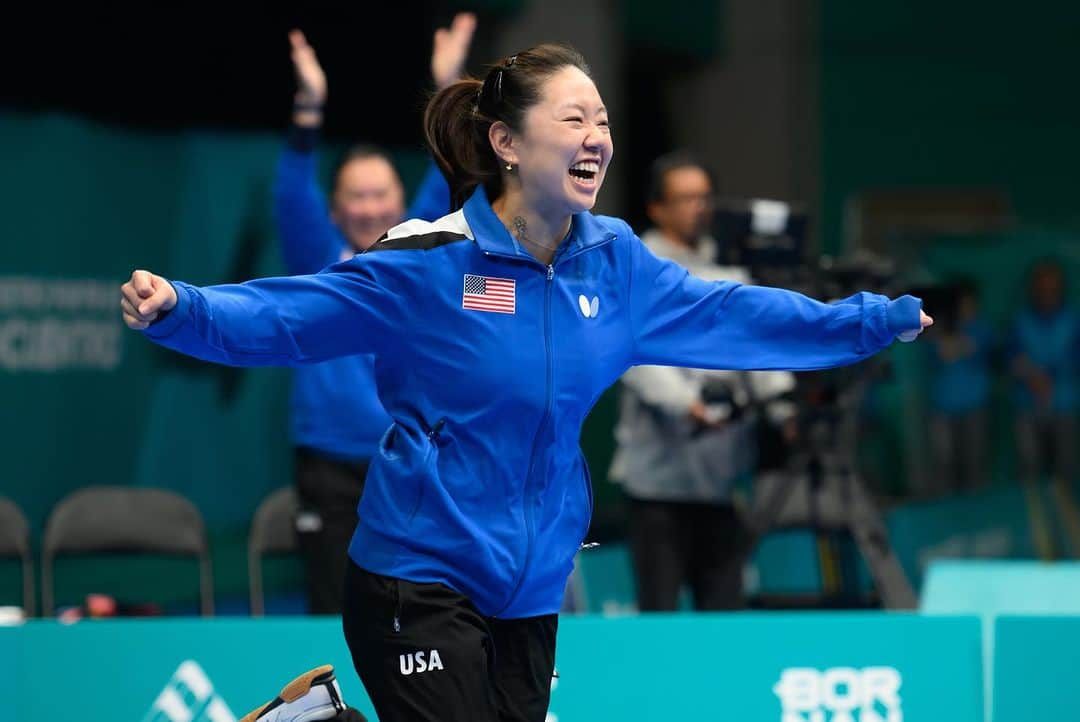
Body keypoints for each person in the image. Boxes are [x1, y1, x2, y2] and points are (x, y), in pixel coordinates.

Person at [121, 43, 932, 722]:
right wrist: (181, 310)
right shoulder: (430, 260)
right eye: (574, 118)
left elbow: (737, 316)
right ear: (507, 144)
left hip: (532, 582)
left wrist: (865, 322)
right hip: (417, 569)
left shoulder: (616, 264)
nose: (597, 137)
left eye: (604, 121)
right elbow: (293, 316)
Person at [275, 16, 472, 613]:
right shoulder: (318, 258)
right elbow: (290, 191)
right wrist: (309, 108)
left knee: (414, 610)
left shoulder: (415, 253)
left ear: (400, 200)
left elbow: (453, 173)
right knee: (333, 609)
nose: (369, 207)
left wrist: (449, 92)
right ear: (335, 209)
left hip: (412, 460)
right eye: (355, 196)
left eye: (380, 193)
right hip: (329, 468)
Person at [610, 151, 798, 611]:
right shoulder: (637, 263)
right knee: (660, 614)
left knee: (723, 614)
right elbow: (629, 352)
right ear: (658, 208)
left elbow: (754, 345)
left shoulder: (731, 269)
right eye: (687, 197)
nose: (700, 207)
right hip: (659, 486)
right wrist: (687, 403)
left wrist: (784, 408)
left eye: (706, 197)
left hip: (722, 480)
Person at [1008, 260, 1079, 486]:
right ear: (1034, 289)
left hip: (1064, 402)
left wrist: (1051, 375)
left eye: (1052, 287)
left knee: (1066, 466)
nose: (1047, 293)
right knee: (1029, 467)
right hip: (1027, 404)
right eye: (1042, 287)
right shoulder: (1020, 321)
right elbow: (1011, 357)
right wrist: (1031, 375)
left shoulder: (1073, 320)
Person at [924, 278, 994, 495]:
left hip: (975, 406)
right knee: (943, 465)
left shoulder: (983, 329)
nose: (965, 308)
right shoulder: (935, 328)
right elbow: (940, 354)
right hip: (942, 409)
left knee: (975, 462)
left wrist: (959, 346)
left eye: (969, 303)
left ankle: (976, 514)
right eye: (960, 303)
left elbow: (979, 351)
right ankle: (945, 517)